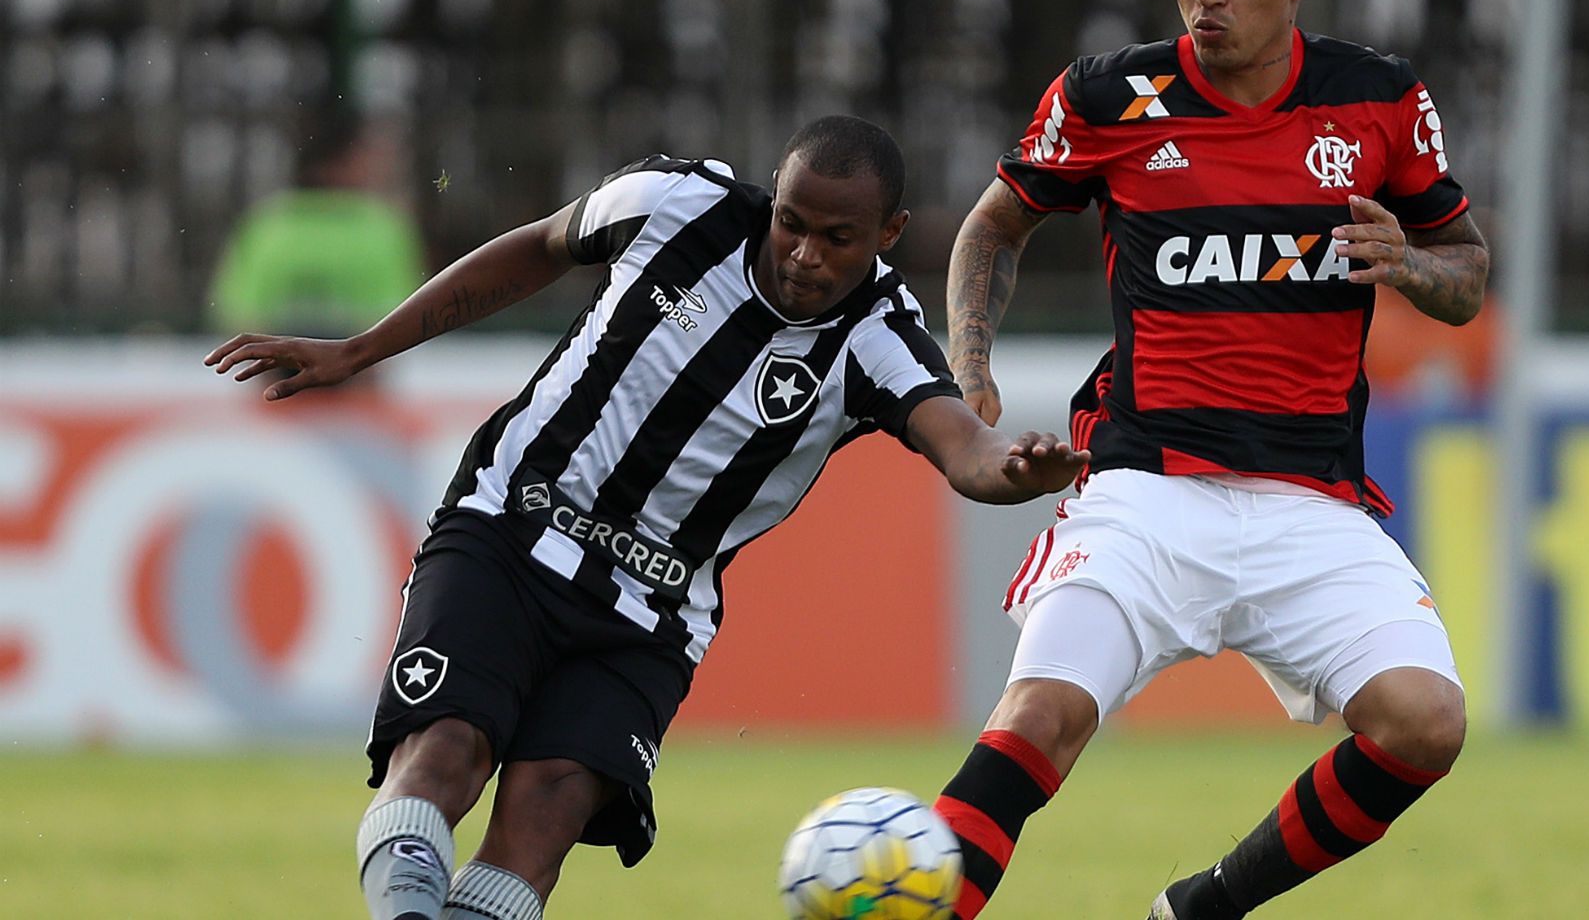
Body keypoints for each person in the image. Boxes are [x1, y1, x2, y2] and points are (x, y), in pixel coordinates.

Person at [206, 115, 1088, 920]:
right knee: (443, 756)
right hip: (510, 530)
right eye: (792, 221)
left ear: (888, 236)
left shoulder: (880, 337)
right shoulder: (676, 205)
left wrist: (1014, 471)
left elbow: (962, 446)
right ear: (772, 195)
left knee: (542, 821)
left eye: (838, 238)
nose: (805, 254)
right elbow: (540, 247)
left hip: (649, 613)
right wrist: (361, 348)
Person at [929, 0, 1489, 920]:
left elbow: (1465, 272)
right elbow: (996, 224)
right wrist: (972, 366)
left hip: (1311, 501)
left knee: (1427, 722)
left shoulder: (1377, 100)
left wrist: (1411, 266)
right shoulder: (1109, 95)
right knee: (1038, 717)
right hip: (1146, 485)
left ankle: (1203, 909)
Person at [208, 114, 426, 339]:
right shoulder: (382, 228)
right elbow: (405, 312)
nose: (376, 168)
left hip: (277, 351)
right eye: (364, 160)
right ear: (334, 164)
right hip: (358, 352)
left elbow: (238, 311)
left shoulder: (266, 223)